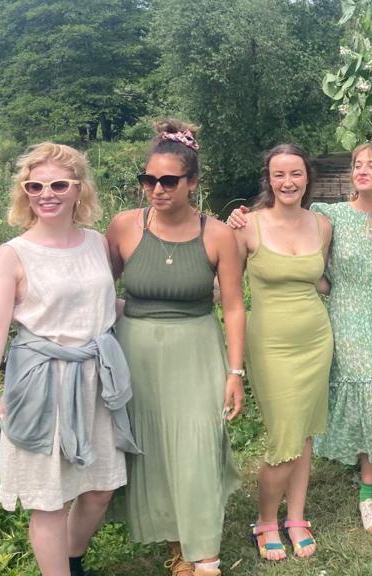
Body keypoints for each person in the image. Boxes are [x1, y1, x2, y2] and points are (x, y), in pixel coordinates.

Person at [227, 143, 372, 545]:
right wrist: (237, 217)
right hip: (345, 322)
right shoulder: (329, 216)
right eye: (357, 165)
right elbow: (306, 263)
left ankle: (367, 493)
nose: (362, 170)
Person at [0, 143, 136, 576]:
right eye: (35, 185)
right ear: (25, 192)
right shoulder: (13, 254)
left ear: (78, 189)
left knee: (100, 488)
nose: (47, 193)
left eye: (58, 184)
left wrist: (174, 304)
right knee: (50, 498)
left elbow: (102, 304)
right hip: (43, 383)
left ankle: (72, 558)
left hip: (96, 381)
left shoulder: (98, 244)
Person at [107, 120, 245, 576]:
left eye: (168, 180)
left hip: (198, 348)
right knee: (153, 449)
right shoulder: (124, 227)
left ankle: (204, 553)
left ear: (193, 183)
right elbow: (96, 293)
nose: (157, 189)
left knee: (198, 445)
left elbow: (234, 306)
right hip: (137, 352)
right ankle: (177, 548)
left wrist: (235, 373)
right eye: (149, 180)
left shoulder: (218, 234)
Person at [232, 144, 333, 560]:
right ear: (269, 180)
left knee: (305, 432)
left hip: (315, 338)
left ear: (307, 177)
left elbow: (319, 281)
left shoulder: (323, 225)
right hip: (271, 343)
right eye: (279, 175)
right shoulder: (247, 225)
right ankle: (266, 521)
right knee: (284, 436)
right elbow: (229, 290)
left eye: (295, 174)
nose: (288, 182)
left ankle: (295, 517)